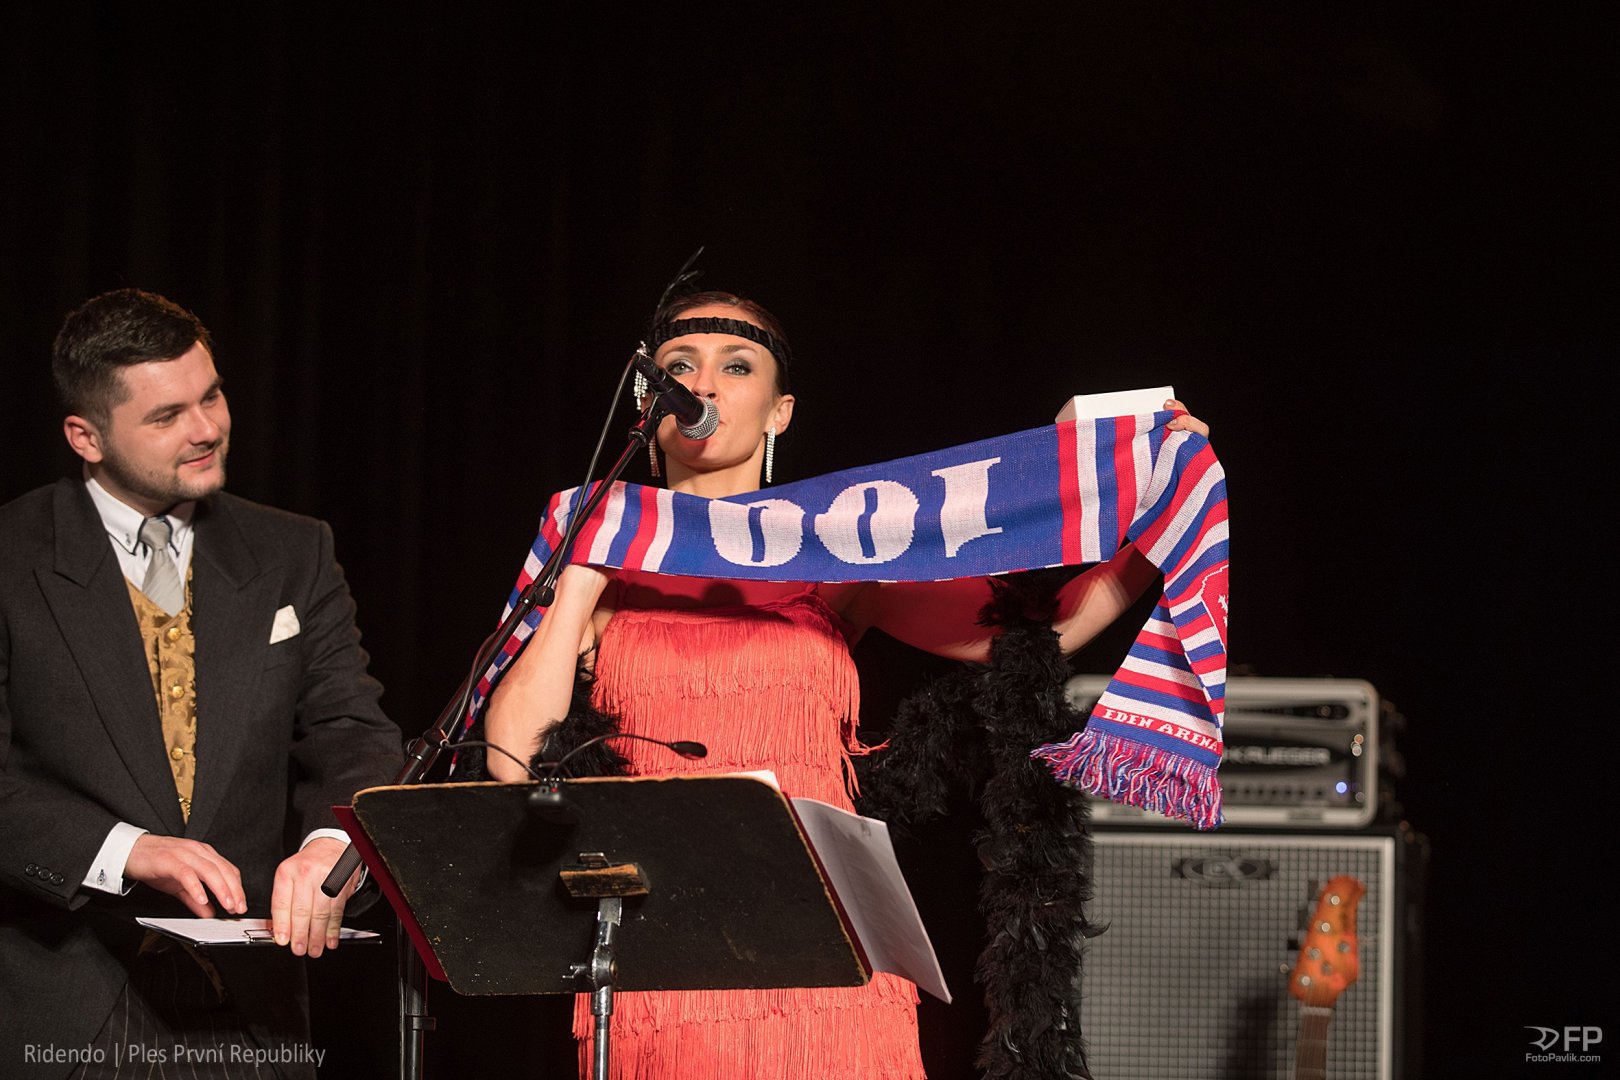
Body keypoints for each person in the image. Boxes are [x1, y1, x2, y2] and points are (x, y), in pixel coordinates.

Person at [464, 287, 1210, 1079]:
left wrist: (1157, 515)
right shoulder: (601, 553)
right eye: (679, 366)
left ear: (779, 413)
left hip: (825, 936)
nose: (703, 383)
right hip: (664, 938)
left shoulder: (830, 548)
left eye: (736, 366)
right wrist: (586, 568)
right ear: (649, 404)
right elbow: (512, 761)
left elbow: (1040, 637)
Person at [0, 289, 404, 1080]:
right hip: (66, 1005)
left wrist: (332, 845)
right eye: (167, 416)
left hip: (248, 1015)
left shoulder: (292, 551)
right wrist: (128, 851)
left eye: (211, 396)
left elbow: (350, 730)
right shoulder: (12, 556)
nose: (207, 428)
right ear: (85, 436)